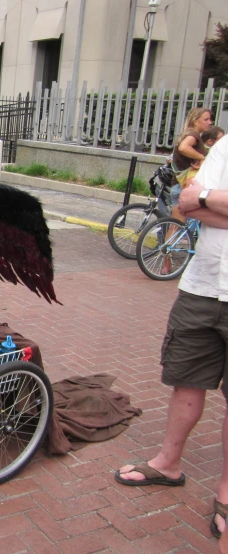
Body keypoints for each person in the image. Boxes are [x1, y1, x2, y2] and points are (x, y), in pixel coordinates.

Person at [114, 134, 228, 542]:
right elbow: (186, 204)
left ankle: (226, 495)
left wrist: (210, 200)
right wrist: (208, 199)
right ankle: (168, 463)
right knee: (185, 378)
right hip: (201, 286)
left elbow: (203, 203)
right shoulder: (225, 145)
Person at [170, 107, 212, 220]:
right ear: (195, 121)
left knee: (176, 227)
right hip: (185, 186)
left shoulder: (187, 133)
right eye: (206, 119)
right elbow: (183, 148)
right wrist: (201, 157)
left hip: (179, 185)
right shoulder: (193, 134)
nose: (210, 122)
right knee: (180, 227)